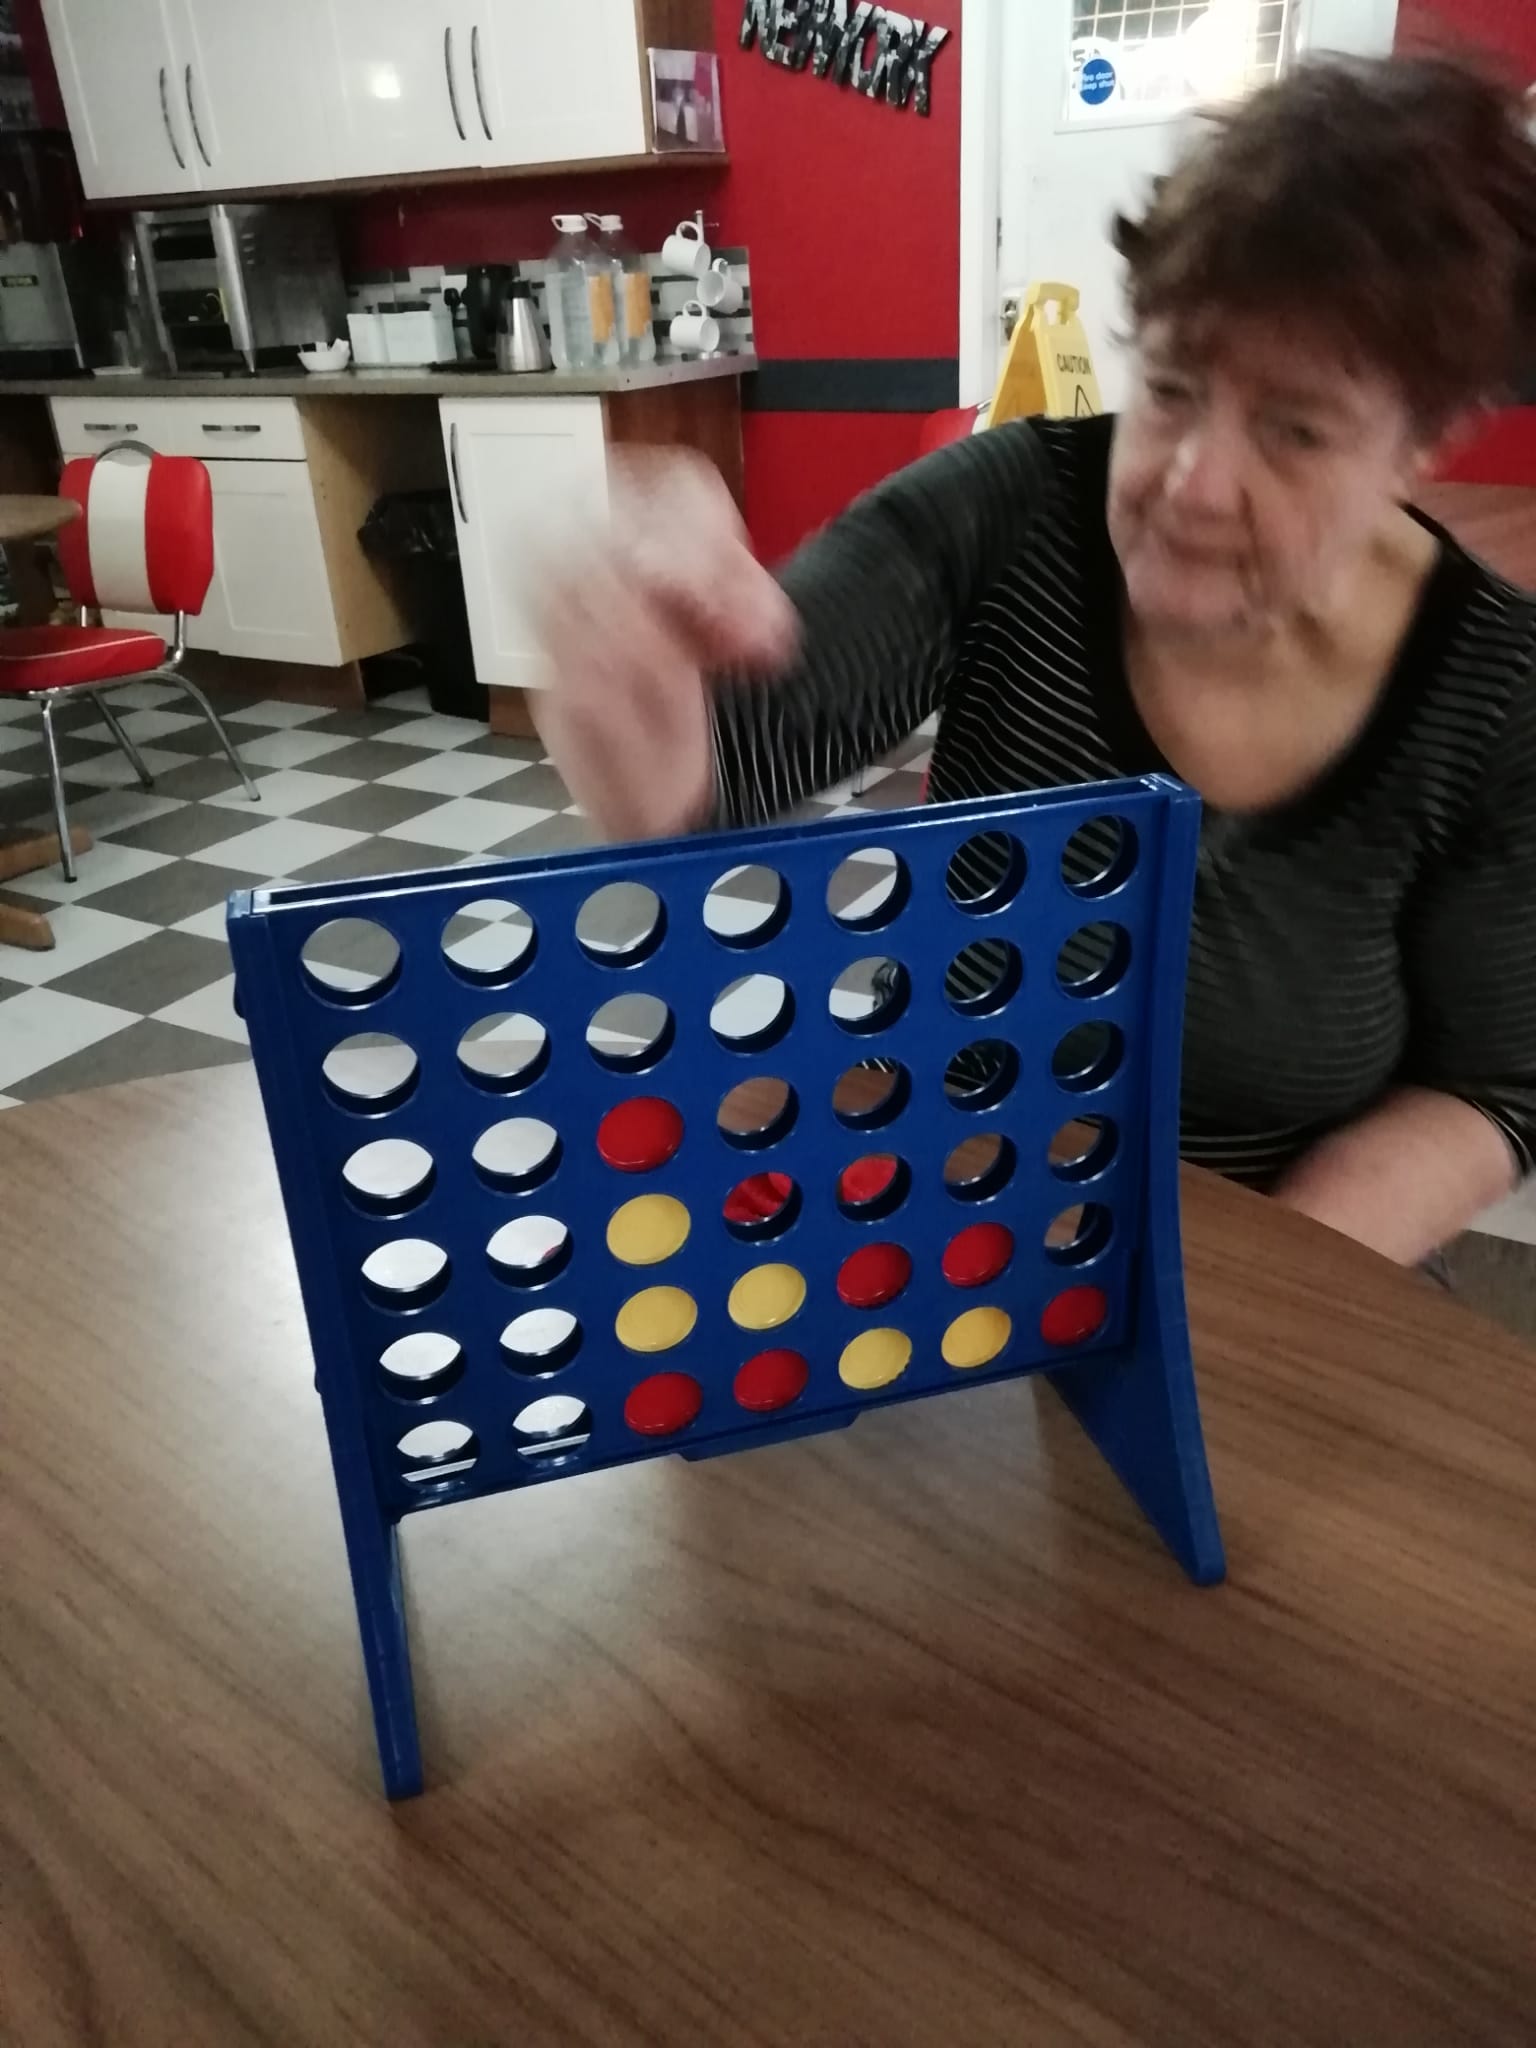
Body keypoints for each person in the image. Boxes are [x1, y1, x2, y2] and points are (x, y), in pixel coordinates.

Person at [535, 54, 1536, 1268]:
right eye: (1172, 386)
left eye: (1295, 429)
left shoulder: (1497, 693)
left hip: (1261, 1250)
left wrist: (1225, 1293)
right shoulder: (1014, 513)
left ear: (1421, 443)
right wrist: (638, 661)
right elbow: (723, 764)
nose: (1193, 483)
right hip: (936, 1186)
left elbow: (1494, 1086)